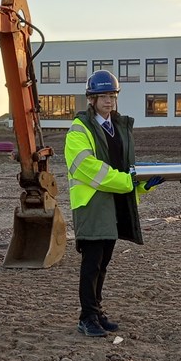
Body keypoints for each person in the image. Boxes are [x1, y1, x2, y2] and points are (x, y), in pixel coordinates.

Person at [64, 69, 163, 337]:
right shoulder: (79, 130)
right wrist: (128, 181)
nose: (108, 101)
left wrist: (142, 183)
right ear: (91, 99)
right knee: (92, 262)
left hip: (113, 203)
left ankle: (96, 311)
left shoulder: (119, 127)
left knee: (103, 262)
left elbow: (124, 167)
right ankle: (86, 317)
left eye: (112, 95)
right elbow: (88, 168)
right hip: (93, 205)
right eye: (103, 96)